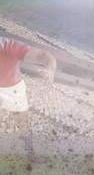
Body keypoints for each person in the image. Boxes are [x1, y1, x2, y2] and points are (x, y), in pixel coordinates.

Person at [0, 36, 56, 165]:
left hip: (12, 89)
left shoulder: (10, 46)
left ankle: (31, 152)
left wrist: (50, 68)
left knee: (23, 125)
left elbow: (45, 56)